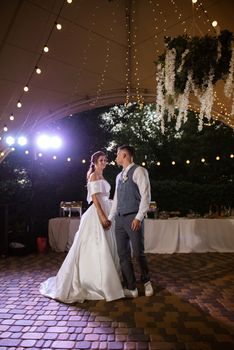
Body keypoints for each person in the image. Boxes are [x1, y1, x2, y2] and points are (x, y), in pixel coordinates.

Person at [40, 151, 124, 303]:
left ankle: (109, 279)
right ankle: (95, 282)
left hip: (107, 209)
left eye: (105, 160)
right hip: (97, 213)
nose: (104, 162)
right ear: (95, 162)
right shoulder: (92, 176)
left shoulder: (103, 176)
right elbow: (95, 199)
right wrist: (103, 217)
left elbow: (104, 196)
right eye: (101, 160)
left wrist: (111, 207)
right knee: (96, 245)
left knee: (108, 244)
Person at [108, 145, 154, 298]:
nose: (116, 157)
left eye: (117, 154)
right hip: (120, 220)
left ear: (125, 155)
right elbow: (116, 200)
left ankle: (147, 282)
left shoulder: (140, 171)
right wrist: (110, 218)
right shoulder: (118, 176)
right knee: (123, 255)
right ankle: (132, 287)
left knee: (138, 253)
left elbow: (146, 196)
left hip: (133, 218)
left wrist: (139, 217)